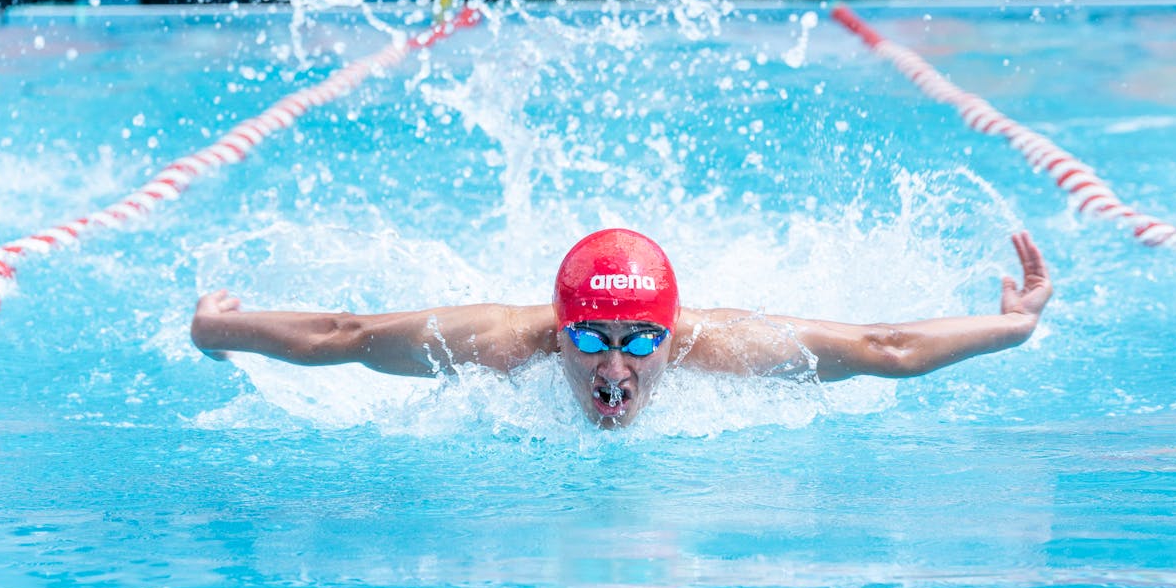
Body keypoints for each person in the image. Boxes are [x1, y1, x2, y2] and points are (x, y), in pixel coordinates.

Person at [191, 227, 1052, 428]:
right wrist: (218, 331)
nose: (614, 363)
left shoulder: (718, 345)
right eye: (591, 338)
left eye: (641, 339)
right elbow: (344, 334)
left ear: (670, 334)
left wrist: (1010, 329)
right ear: (556, 332)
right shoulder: (497, 340)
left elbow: (883, 348)